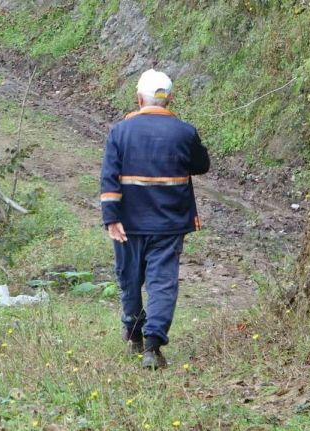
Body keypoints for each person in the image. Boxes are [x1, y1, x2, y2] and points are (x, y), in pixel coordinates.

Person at [100, 69, 210, 369]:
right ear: (169, 98)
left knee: (129, 279)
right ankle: (152, 346)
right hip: (170, 224)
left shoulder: (120, 132)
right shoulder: (184, 132)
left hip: (127, 224)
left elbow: (109, 177)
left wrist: (111, 217)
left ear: (138, 98)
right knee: (163, 282)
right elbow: (202, 165)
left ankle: (134, 332)